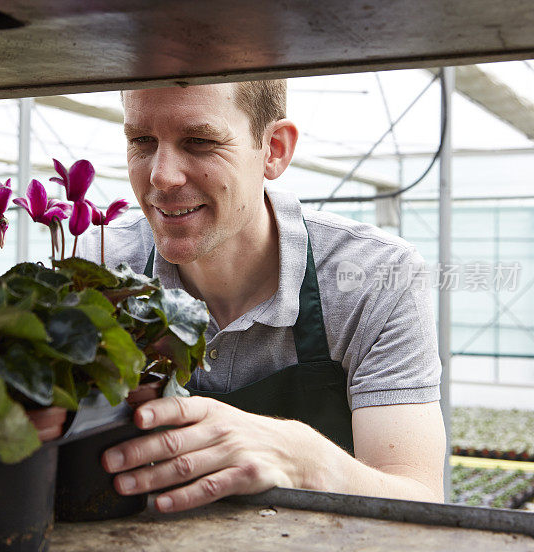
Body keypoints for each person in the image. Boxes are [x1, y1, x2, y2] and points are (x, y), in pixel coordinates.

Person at [75, 80, 446, 514]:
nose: (162, 176)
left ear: (273, 149)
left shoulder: (375, 277)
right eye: (141, 140)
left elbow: (420, 503)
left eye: (199, 141)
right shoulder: (97, 268)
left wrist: (304, 457)